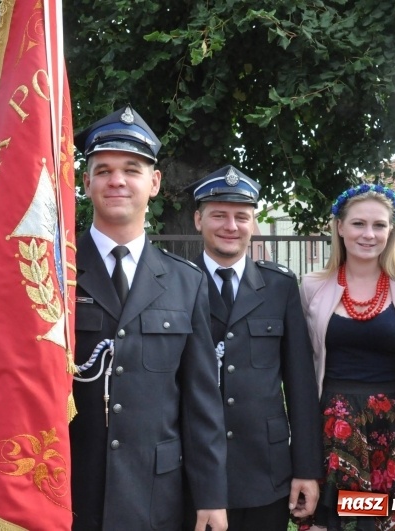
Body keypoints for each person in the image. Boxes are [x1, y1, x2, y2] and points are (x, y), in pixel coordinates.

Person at [70, 105, 228, 531]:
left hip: (156, 494)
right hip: (71, 493)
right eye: (102, 170)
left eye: (132, 169)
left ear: (154, 182)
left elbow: (202, 401)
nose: (116, 180)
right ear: (86, 183)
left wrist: (211, 496)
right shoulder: (53, 274)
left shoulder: (185, 281)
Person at [297, 183, 395, 531]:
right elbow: (304, 361)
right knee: (340, 521)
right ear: (340, 227)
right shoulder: (311, 287)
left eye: (379, 225)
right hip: (335, 429)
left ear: (391, 231)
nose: (369, 234)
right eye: (358, 224)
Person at [181, 165, 323, 530]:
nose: (231, 226)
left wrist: (307, 469)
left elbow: (301, 384)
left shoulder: (280, 286)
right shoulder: (177, 285)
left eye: (241, 217)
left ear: (252, 223)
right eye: (219, 215)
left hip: (267, 470)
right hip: (193, 470)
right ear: (199, 220)